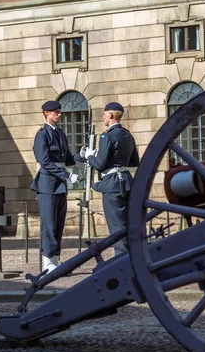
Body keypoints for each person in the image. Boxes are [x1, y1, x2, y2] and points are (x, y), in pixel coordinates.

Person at [31, 100, 83, 273]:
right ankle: (47, 260)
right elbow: (45, 161)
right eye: (55, 112)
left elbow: (66, 158)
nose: (59, 115)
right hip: (47, 184)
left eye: (59, 112)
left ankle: (55, 258)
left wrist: (82, 156)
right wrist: (67, 175)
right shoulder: (42, 135)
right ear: (46, 113)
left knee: (59, 224)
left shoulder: (60, 134)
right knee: (49, 225)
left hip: (59, 185)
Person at [81, 102, 139, 255]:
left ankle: (121, 260)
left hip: (112, 184)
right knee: (129, 224)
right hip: (127, 181)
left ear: (111, 115)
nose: (103, 117)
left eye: (104, 114)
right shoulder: (128, 134)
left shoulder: (107, 136)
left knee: (116, 226)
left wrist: (90, 156)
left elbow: (99, 164)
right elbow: (134, 161)